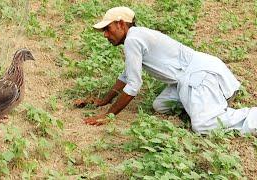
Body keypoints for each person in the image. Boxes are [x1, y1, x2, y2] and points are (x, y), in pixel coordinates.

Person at [81, 6, 257, 134]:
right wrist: (104, 101)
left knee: (203, 125)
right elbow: (127, 76)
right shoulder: (137, 35)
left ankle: (250, 117)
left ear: (120, 24)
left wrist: (108, 115)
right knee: (160, 105)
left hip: (200, 76)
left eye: (107, 28)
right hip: (195, 74)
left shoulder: (133, 40)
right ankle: (205, 103)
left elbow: (133, 85)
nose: (105, 34)